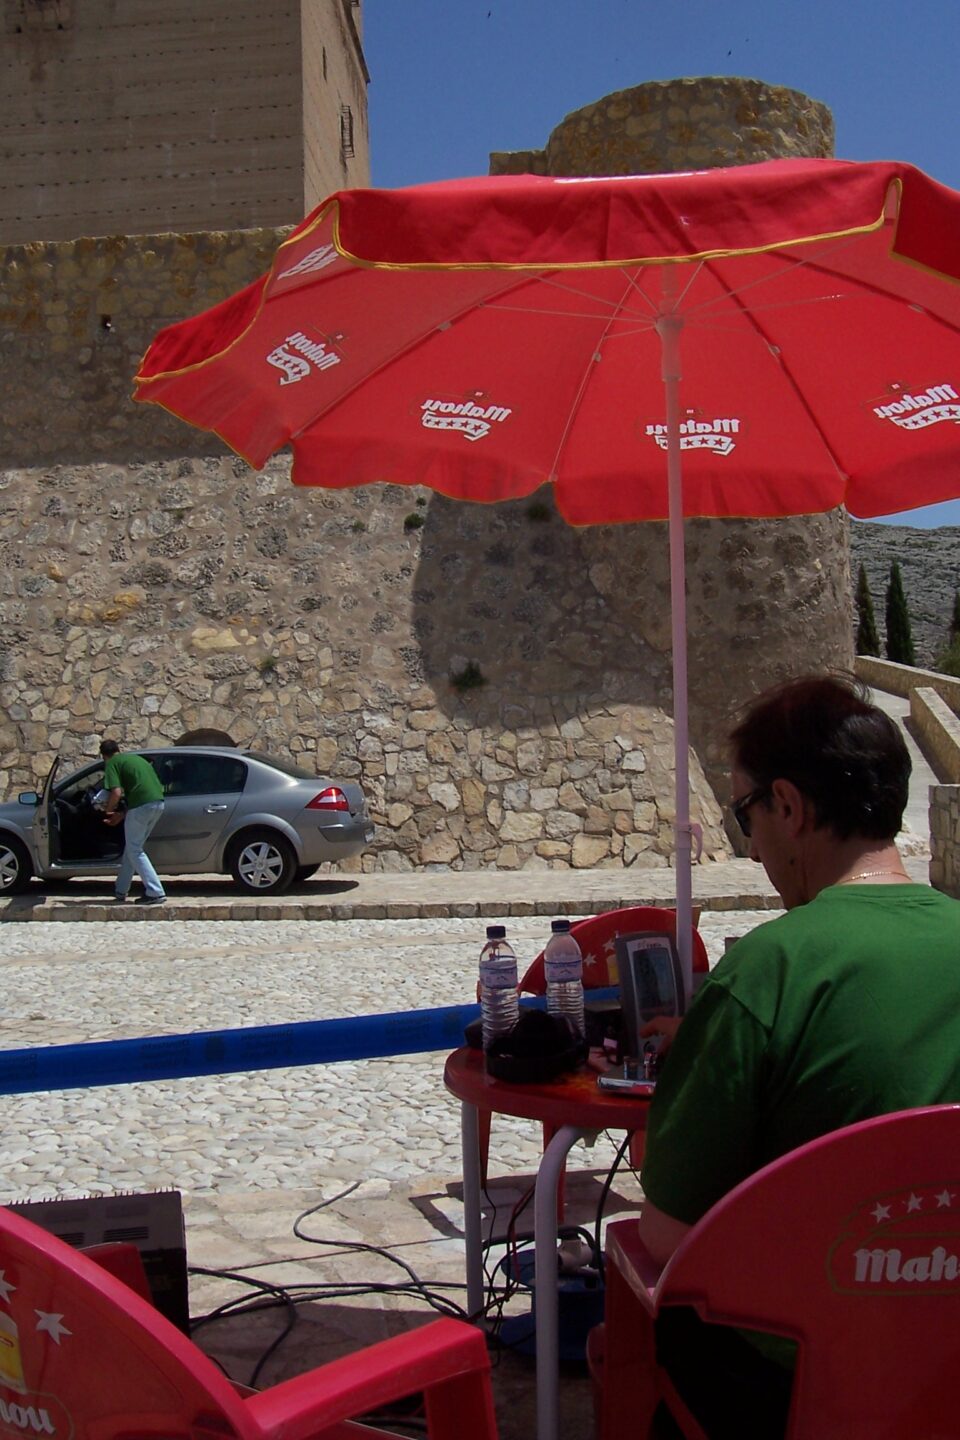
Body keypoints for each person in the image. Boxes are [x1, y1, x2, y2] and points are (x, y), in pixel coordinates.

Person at [637, 674, 960, 1438]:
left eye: (745, 814)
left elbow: (670, 1234)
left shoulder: (767, 973)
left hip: (798, 1384)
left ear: (788, 806)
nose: (751, 848)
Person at [99, 739, 166, 905]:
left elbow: (116, 792)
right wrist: (122, 814)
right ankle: (121, 889)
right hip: (157, 803)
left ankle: (155, 892)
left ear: (104, 756)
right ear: (118, 749)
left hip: (141, 806)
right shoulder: (136, 759)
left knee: (134, 849)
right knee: (132, 848)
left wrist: (108, 811)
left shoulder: (112, 763)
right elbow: (139, 789)